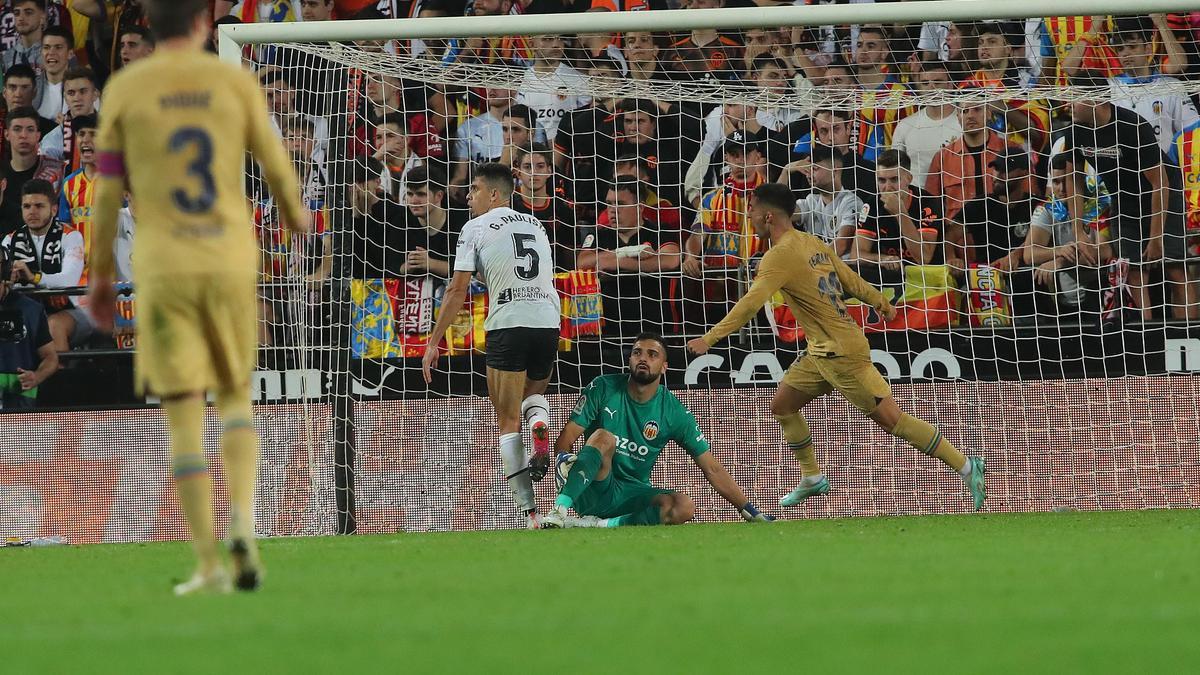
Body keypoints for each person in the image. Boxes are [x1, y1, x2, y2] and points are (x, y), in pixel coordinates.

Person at [87, 0, 308, 595]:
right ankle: (243, 523)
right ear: (205, 24)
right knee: (236, 395)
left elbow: (107, 191)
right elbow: (275, 162)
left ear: (148, 29)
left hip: (164, 267)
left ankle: (208, 559)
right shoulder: (230, 81)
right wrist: (295, 218)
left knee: (183, 408)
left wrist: (101, 272)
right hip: (228, 259)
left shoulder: (126, 89)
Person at [687, 183, 986, 511]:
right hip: (820, 349)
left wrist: (709, 339)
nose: (749, 217)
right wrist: (879, 302)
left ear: (768, 215)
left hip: (841, 351)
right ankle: (812, 477)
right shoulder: (811, 243)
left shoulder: (777, 257)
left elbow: (749, 304)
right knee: (783, 405)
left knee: (893, 420)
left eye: (752, 211)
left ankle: (967, 466)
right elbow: (848, 278)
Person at [421, 162, 560, 529]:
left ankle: (529, 513)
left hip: (508, 324)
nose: (468, 196)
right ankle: (542, 424)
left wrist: (434, 342)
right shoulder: (536, 225)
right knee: (532, 399)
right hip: (548, 322)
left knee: (507, 420)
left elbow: (455, 290)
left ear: (495, 194)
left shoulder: (473, 228)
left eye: (475, 189)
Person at [542, 332, 772, 529]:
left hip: (632, 492)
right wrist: (564, 460)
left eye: (652, 355)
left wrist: (748, 510)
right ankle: (559, 510)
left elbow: (711, 467)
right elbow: (566, 438)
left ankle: (602, 525)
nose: (643, 358)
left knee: (684, 506)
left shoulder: (672, 411)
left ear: (664, 367)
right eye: (637, 352)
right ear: (630, 359)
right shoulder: (602, 387)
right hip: (593, 485)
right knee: (604, 436)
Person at [3, 179, 87, 352]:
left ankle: (58, 379)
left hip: (71, 310)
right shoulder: (10, 240)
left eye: (39, 206)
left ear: (54, 209)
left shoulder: (71, 236)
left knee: (53, 326)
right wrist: (8, 280)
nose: (32, 212)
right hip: (26, 310)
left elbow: (68, 281)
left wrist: (33, 277)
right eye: (26, 206)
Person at [0, 245, 58, 409]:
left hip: (21, 407)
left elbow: (50, 357)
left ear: (5, 268)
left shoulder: (31, 310)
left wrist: (37, 376)